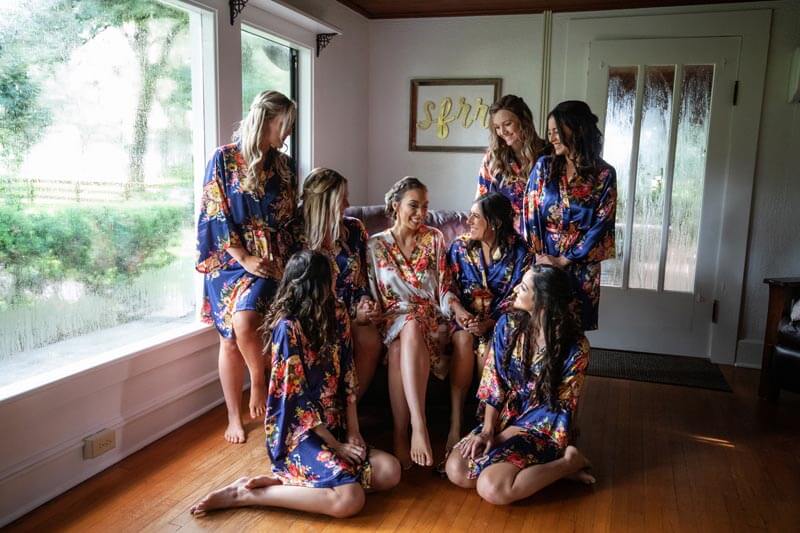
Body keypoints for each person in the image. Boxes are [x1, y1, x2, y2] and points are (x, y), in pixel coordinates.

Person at [190, 250, 401, 518]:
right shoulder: (287, 328)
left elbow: (348, 374)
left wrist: (353, 432)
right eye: (331, 277)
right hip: (300, 434)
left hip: (335, 427)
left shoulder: (337, 313)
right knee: (350, 499)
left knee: (390, 471)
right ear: (317, 284)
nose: (336, 282)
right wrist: (335, 447)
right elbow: (296, 401)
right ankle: (244, 494)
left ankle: (295, 482)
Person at [196, 90, 299, 444]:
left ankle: (258, 381)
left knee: (246, 323)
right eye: (285, 125)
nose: (288, 133)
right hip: (231, 260)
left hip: (271, 261)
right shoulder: (223, 159)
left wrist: (289, 264)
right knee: (228, 339)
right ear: (267, 120)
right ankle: (233, 415)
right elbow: (214, 211)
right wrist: (243, 257)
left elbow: (291, 219)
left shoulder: (285, 166)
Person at [445, 265, 595, 505]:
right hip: (505, 418)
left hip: (542, 429)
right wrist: (488, 431)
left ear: (542, 301)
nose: (515, 289)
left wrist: (501, 438)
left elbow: (558, 409)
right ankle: (543, 474)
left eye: (523, 287)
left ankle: (568, 463)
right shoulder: (507, 325)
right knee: (456, 469)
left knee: (491, 487)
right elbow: (493, 381)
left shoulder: (576, 347)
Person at [366, 177, 472, 468]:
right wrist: (370, 314)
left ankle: (407, 433)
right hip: (391, 321)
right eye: (414, 205)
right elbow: (372, 294)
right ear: (395, 206)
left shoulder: (434, 238)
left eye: (425, 206)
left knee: (403, 342)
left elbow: (444, 288)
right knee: (404, 331)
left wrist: (457, 309)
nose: (421, 213)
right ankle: (417, 426)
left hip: (429, 322)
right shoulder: (375, 245)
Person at [445, 192, 531, 454]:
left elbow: (518, 296)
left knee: (489, 349)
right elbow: (446, 286)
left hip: (500, 322)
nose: (468, 221)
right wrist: (459, 311)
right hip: (465, 320)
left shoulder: (520, 252)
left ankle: (484, 425)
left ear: (494, 222)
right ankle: (455, 423)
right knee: (462, 341)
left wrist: (491, 322)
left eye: (475, 217)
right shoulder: (459, 248)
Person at [524, 100, 617, 332]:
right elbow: (530, 213)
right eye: (549, 133)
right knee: (541, 326)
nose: (552, 138)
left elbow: (602, 223)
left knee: (572, 330)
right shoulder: (544, 167)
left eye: (556, 131)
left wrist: (565, 260)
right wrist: (542, 257)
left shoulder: (604, 174)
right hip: (545, 259)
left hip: (581, 264)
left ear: (576, 129)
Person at [300, 167, 382, 398]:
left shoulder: (354, 229)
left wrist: (365, 303)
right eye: (342, 199)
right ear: (324, 202)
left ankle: (348, 408)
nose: (348, 204)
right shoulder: (295, 235)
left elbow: (363, 279)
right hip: (313, 313)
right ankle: (319, 408)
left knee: (369, 339)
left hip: (351, 310)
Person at [476, 95, 547, 235]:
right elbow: (482, 204)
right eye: (497, 127)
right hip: (507, 236)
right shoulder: (492, 159)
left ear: (524, 121)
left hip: (545, 233)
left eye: (507, 124)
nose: (502, 132)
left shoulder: (549, 153)